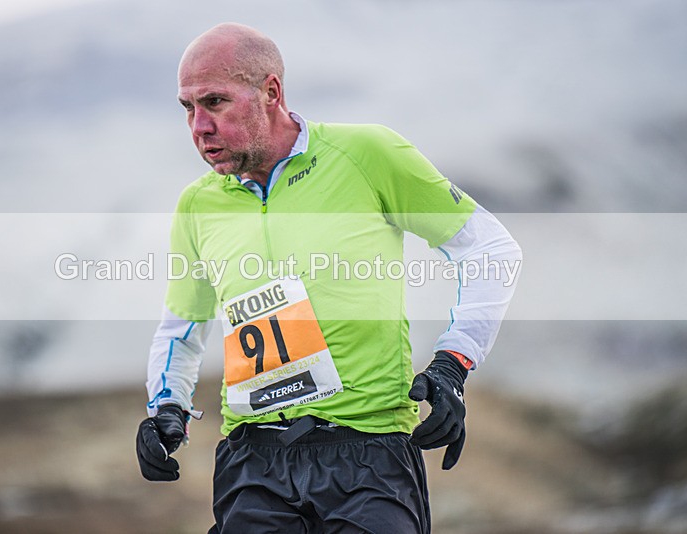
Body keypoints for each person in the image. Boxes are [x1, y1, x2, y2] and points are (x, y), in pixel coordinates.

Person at [136, 22, 522, 533]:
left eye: (215, 102)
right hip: (252, 465)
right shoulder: (198, 204)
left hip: (366, 457)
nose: (198, 126)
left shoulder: (366, 155)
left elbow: (491, 250)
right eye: (187, 108)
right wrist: (167, 407)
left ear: (270, 92)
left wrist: (454, 363)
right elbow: (181, 330)